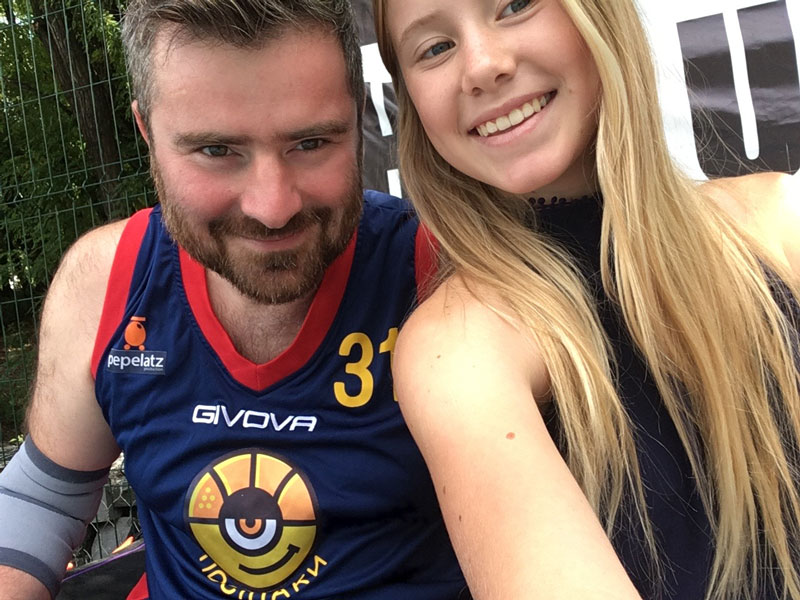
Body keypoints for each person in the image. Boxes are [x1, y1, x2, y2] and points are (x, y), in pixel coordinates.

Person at [0, 1, 469, 598]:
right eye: (217, 151)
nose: (273, 207)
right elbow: (42, 496)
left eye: (311, 142)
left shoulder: (442, 278)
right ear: (148, 133)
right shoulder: (106, 284)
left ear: (359, 120)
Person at [372, 0, 800, 598]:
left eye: (516, 5)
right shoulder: (459, 347)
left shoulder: (781, 222)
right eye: (434, 48)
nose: (482, 65)